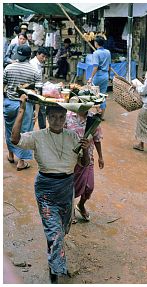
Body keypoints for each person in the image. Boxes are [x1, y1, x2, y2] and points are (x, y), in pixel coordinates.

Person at [11, 96, 90, 283]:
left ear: (66, 118)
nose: (57, 121)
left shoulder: (73, 137)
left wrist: (86, 149)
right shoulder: (38, 137)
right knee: (54, 232)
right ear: (47, 117)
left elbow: (84, 163)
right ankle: (55, 273)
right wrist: (22, 110)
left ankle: (54, 258)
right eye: (53, 117)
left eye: (61, 117)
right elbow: (15, 139)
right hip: (46, 189)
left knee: (61, 230)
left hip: (66, 189)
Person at [3, 45, 41, 171]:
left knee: (10, 130)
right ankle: (21, 161)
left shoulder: (8, 67)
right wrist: (36, 110)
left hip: (9, 103)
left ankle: (10, 154)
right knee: (25, 132)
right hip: (26, 105)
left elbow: (3, 86)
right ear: (29, 56)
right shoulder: (35, 70)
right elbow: (37, 93)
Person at [66, 111, 104, 223]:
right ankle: (70, 209)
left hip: (88, 159)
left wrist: (100, 157)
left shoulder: (94, 119)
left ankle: (81, 205)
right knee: (71, 186)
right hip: (71, 160)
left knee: (89, 187)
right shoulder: (68, 117)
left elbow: (97, 139)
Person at [88, 36, 111, 120]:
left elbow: (95, 67)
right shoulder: (108, 52)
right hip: (105, 75)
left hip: (98, 75)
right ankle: (101, 116)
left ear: (96, 43)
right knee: (103, 95)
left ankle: (98, 110)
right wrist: (109, 76)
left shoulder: (96, 53)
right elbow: (109, 66)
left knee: (94, 94)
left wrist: (91, 77)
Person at [30, 47, 49, 129]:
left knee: (41, 110)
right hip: (34, 89)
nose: (44, 59)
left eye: (45, 57)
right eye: (42, 56)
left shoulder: (39, 63)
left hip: (38, 88)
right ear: (37, 54)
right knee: (37, 111)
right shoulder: (33, 64)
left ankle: (42, 128)